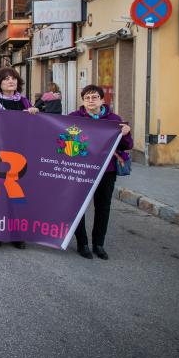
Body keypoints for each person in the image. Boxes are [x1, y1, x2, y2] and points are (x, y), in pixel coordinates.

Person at [70, 85, 132, 260]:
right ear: (82, 100)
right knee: (78, 207)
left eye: (94, 97)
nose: (91, 100)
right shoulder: (73, 118)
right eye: (87, 97)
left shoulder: (114, 119)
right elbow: (63, 138)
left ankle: (99, 244)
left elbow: (127, 145)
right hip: (80, 170)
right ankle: (82, 243)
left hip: (106, 170)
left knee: (103, 207)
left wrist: (126, 133)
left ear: (102, 100)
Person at [0, 67, 38, 249]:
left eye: (13, 78)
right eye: (6, 79)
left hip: (19, 154)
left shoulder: (24, 102)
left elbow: (33, 126)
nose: (10, 81)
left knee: (16, 195)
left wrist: (34, 113)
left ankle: (16, 234)